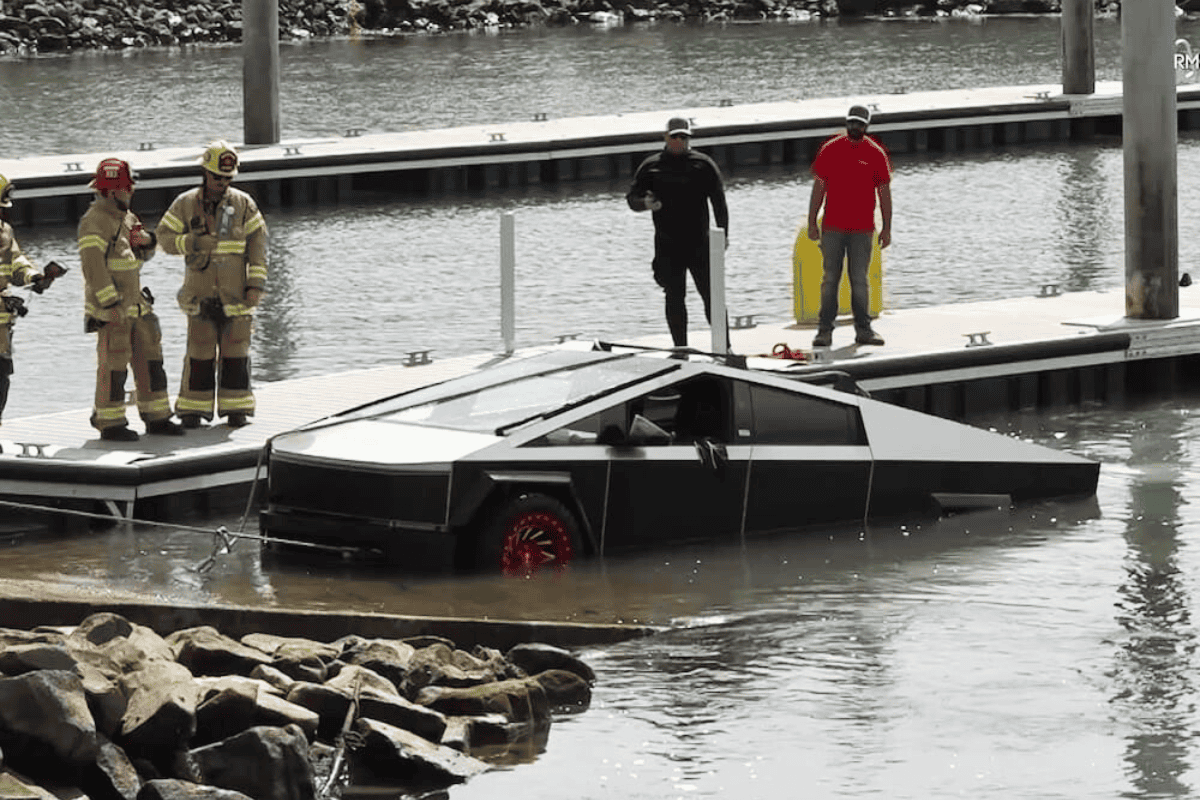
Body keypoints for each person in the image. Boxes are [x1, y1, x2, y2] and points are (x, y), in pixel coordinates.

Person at [155, 140, 268, 429]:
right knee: (200, 353)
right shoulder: (185, 203)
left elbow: (258, 247)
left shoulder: (244, 204)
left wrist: (255, 286)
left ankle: (236, 409)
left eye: (227, 178)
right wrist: (192, 242)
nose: (222, 182)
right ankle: (193, 411)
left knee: (236, 353)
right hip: (200, 293)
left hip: (236, 295)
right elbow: (164, 238)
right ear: (205, 172)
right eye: (217, 177)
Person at [78, 158, 184, 441]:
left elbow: (140, 257)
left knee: (151, 361)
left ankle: (157, 417)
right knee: (113, 366)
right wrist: (110, 304)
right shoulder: (94, 222)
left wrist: (147, 242)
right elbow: (93, 268)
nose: (132, 191)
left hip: (137, 306)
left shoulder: (127, 218)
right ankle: (109, 422)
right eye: (127, 187)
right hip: (114, 310)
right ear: (112, 191)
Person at [627, 116, 729, 349]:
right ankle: (680, 348)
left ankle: (724, 347)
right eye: (675, 137)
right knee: (674, 296)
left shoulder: (703, 164)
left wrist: (723, 235)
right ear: (666, 137)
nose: (680, 141)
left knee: (712, 297)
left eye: (684, 137)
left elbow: (719, 202)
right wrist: (646, 203)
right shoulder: (651, 166)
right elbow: (632, 199)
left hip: (700, 243)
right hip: (667, 244)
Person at [807, 104, 892, 348]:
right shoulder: (830, 149)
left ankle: (864, 330)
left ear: (867, 126)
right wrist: (812, 221)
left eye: (860, 124)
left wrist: (887, 228)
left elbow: (885, 193)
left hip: (863, 229)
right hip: (832, 227)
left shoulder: (875, 154)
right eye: (851, 122)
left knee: (859, 280)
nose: (855, 127)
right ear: (846, 123)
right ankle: (824, 331)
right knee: (830, 279)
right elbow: (819, 188)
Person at [0, 174, 48, 425]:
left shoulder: (5, 232)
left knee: (1, 377)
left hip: (2, 327)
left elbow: (16, 262)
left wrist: (34, 276)